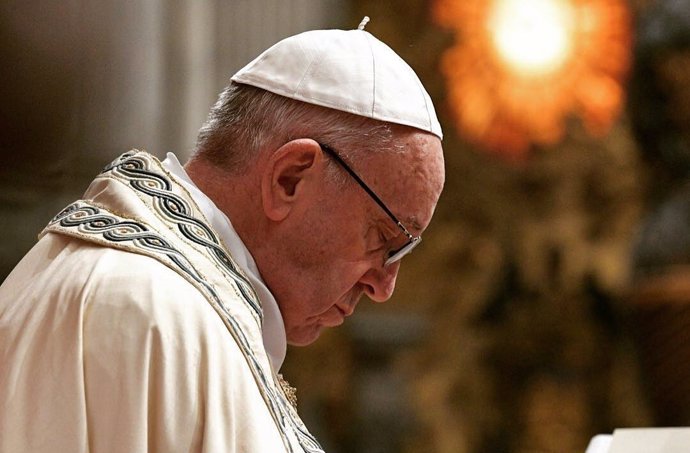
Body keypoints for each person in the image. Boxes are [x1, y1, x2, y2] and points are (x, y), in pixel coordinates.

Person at [0, 18, 445, 453]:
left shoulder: (190, 314)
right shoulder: (139, 309)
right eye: (385, 239)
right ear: (290, 178)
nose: (384, 286)